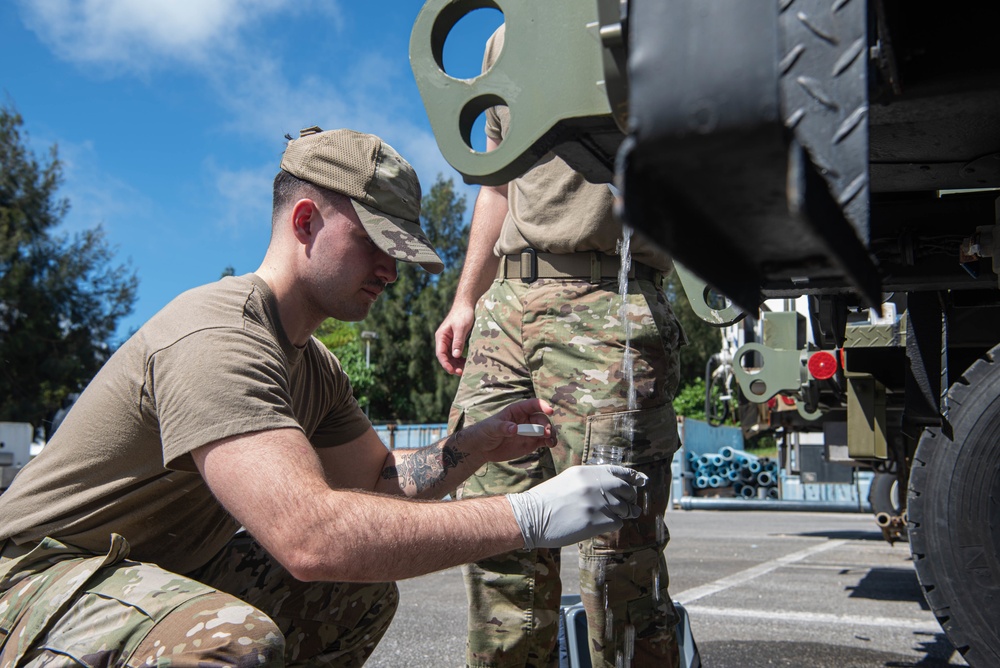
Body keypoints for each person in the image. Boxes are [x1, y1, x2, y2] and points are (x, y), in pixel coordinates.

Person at [0, 126, 649, 668]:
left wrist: (477, 445)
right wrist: (528, 515)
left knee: (357, 595)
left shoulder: (314, 365)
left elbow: (376, 482)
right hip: (31, 585)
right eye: (376, 244)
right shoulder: (218, 334)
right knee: (231, 640)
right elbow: (311, 539)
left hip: (135, 574)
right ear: (306, 221)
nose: (393, 271)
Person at [435, 25, 686, 668]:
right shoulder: (504, 39)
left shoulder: (642, 17)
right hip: (509, 305)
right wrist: (467, 297)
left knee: (617, 557)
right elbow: (496, 183)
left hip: (610, 297)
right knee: (497, 536)